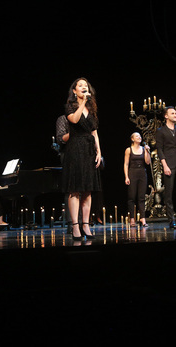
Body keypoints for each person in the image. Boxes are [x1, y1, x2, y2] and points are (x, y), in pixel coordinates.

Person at [61, 78, 102, 240]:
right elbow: (75, 120)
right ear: (74, 91)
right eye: (81, 86)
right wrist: (83, 103)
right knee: (75, 189)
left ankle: (86, 224)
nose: (84, 88)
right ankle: (75, 226)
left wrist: (99, 151)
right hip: (75, 148)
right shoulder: (70, 107)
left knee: (88, 190)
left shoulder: (92, 110)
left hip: (89, 149)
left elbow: (94, 132)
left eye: (86, 86)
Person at [124, 132, 150, 227]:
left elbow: (147, 162)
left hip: (142, 173)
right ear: (132, 139)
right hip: (132, 173)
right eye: (137, 136)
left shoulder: (144, 149)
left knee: (141, 197)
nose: (139, 137)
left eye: (140, 136)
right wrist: (126, 176)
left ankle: (142, 218)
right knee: (131, 197)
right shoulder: (128, 150)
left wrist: (147, 151)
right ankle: (132, 218)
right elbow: (126, 164)